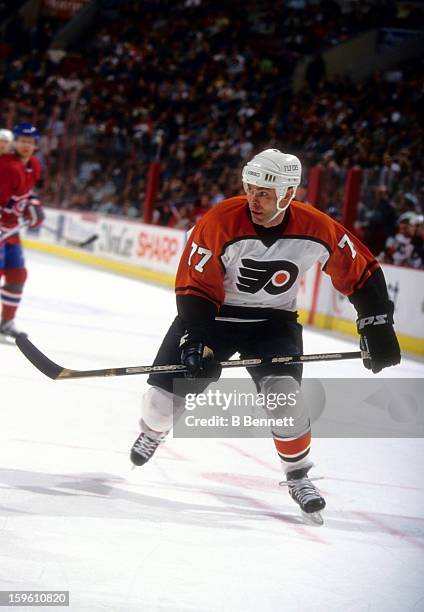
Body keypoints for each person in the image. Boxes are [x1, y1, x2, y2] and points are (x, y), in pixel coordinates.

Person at [130, 148, 401, 522]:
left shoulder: (316, 226)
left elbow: (362, 270)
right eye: (250, 189)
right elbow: (195, 287)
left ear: (289, 194)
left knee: (285, 399)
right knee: (159, 408)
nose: (253, 200)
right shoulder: (220, 220)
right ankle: (153, 431)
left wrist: (377, 323)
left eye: (264, 193)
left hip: (272, 324)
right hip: (214, 316)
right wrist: (196, 340)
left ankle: (298, 475)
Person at [0, 123, 45, 338]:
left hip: (10, 232)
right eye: (22, 141)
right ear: (15, 142)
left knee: (17, 274)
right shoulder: (7, 167)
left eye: (30, 142)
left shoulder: (34, 165)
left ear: (36, 145)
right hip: (2, 229)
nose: (26, 145)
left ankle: (6, 323)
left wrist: (33, 204)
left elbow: (27, 193)